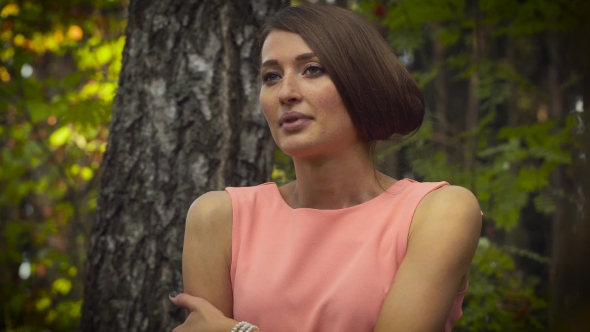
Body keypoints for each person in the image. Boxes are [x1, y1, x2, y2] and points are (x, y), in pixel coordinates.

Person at [169, 4, 481, 332]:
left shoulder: (438, 212)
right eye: (271, 76)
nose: (286, 93)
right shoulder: (218, 218)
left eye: (312, 69)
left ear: (362, 84)